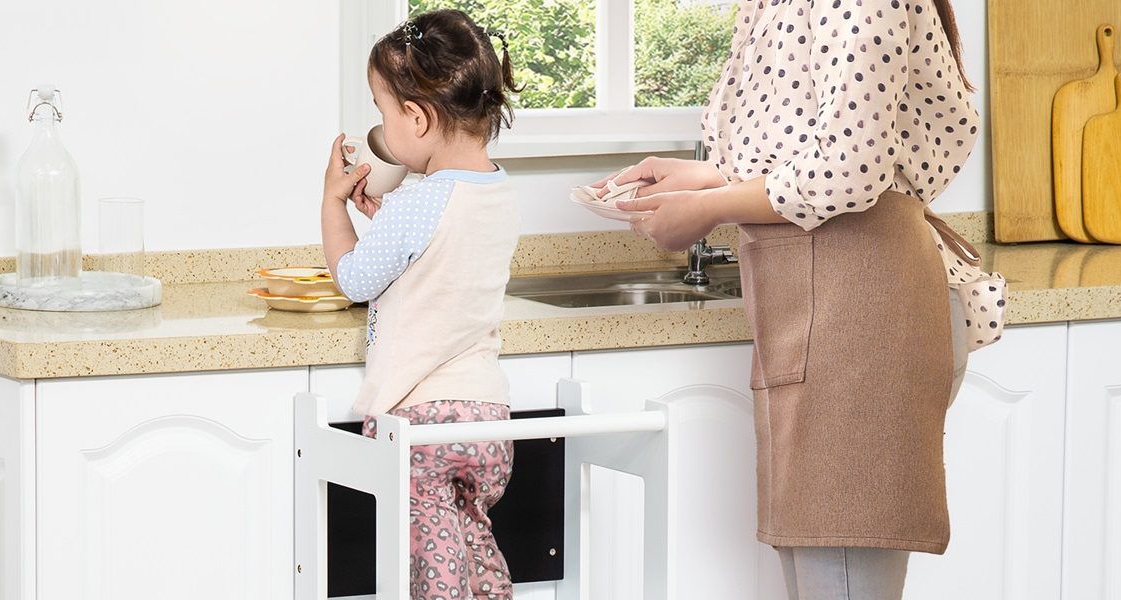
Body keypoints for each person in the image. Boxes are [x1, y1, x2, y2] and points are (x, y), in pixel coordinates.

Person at [598, 1, 979, 597]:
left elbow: (850, 170)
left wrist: (708, 208)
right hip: (821, 300)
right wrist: (706, 176)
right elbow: (808, 150)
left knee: (842, 569)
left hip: (863, 306)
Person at [319, 10, 522, 599]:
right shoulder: (500, 191)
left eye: (383, 113)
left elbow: (356, 279)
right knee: (471, 544)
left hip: (423, 426)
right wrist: (384, 225)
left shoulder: (417, 202)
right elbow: (442, 259)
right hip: (488, 423)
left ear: (416, 117)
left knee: (430, 577)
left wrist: (334, 204)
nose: (380, 127)